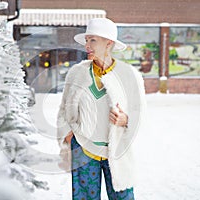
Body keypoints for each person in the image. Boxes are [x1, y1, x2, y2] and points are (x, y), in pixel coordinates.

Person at [57, 18, 146, 200]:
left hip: (117, 151)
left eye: (93, 40)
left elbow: (139, 113)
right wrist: (67, 134)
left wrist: (125, 120)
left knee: (122, 197)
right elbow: (64, 108)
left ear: (109, 43)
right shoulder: (77, 73)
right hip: (83, 149)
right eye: (87, 40)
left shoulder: (129, 75)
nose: (87, 45)